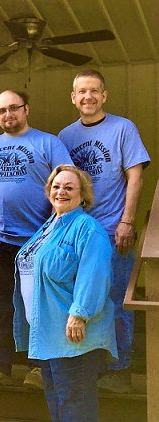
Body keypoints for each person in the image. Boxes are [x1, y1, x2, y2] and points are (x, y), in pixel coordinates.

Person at [0, 90, 72, 387]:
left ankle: (40, 368)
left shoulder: (48, 143)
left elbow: (65, 183)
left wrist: (55, 228)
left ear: (27, 109)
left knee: (36, 305)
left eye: (14, 108)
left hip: (36, 240)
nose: (8, 115)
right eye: (1, 111)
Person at [14, 165, 115, 422]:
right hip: (47, 330)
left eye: (69, 188)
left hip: (73, 330)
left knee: (75, 396)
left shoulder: (87, 228)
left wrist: (80, 314)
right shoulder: (49, 226)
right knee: (57, 396)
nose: (61, 192)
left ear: (83, 195)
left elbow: (94, 273)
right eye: (56, 186)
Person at [58, 69, 151, 394]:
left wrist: (127, 221)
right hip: (78, 235)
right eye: (81, 91)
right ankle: (89, 366)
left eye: (94, 91)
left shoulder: (123, 128)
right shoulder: (65, 136)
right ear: (73, 97)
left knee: (115, 302)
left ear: (104, 95)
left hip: (112, 232)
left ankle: (120, 370)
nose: (88, 97)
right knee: (80, 303)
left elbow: (135, 177)